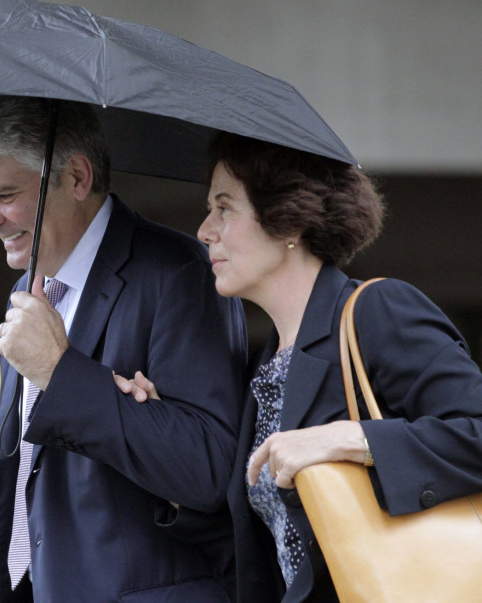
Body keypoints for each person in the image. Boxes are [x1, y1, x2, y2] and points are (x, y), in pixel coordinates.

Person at [115, 133, 482, 602]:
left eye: (224, 207)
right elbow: (262, 551)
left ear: (288, 220)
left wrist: (352, 439)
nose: (205, 230)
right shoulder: (260, 370)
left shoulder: (377, 311)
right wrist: (164, 437)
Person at [0, 96, 247, 602]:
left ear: (78, 178)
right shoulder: (26, 294)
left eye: (5, 195)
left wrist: (60, 372)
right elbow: (22, 488)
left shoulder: (179, 272)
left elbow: (212, 470)